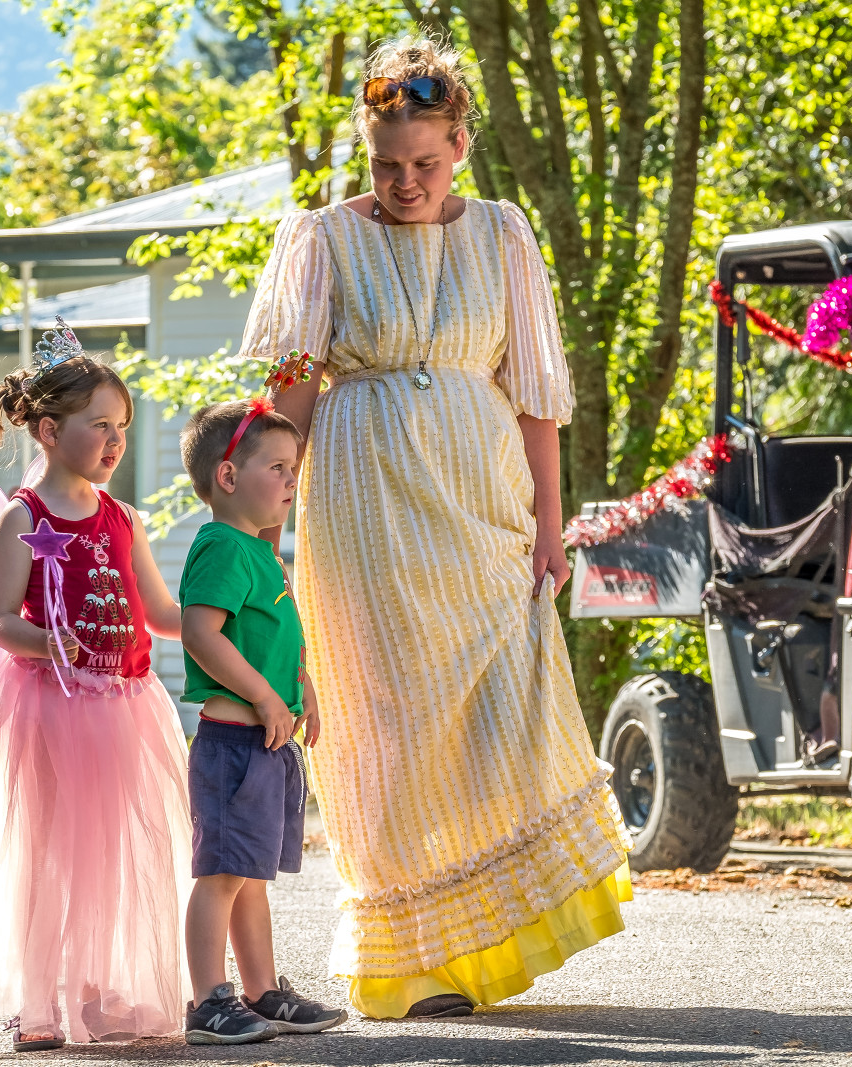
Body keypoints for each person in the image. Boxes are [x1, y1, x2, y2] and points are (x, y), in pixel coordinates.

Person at [241, 36, 632, 1020]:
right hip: (364, 507)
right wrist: (258, 532)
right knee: (385, 723)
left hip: (481, 503)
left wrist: (550, 525)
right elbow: (289, 399)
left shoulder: (503, 234)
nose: (405, 182)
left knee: (500, 705)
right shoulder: (322, 239)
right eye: (386, 164)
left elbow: (535, 394)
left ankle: (487, 930)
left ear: (460, 144)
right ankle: (412, 960)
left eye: (424, 160)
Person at [0, 325, 191, 1052]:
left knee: (113, 851)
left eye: (122, 426)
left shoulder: (124, 518)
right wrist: (44, 641)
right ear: (51, 431)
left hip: (124, 705)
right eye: (101, 425)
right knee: (50, 850)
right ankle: (37, 1000)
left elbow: (159, 612)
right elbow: (1, 619)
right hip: (51, 706)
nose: (116, 440)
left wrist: (223, 625)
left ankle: (94, 990)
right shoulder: (23, 517)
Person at [176, 398, 346, 1045]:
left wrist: (302, 691)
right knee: (222, 874)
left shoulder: (259, 552)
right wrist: (265, 699)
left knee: (250, 878)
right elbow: (201, 633)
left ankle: (261, 990)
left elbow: (276, 639)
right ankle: (208, 1001)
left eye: (293, 468)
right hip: (232, 746)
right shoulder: (221, 546)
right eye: (277, 467)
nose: (290, 480)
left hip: (265, 744)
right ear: (227, 476)